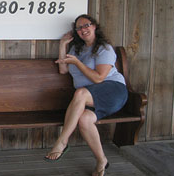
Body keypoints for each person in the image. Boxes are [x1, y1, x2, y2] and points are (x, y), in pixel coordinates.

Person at [44, 14, 128, 176]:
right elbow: (63, 69)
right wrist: (62, 45)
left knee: (81, 93)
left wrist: (78, 63)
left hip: (113, 90)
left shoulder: (105, 48)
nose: (83, 30)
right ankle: (102, 160)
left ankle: (62, 141)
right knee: (84, 119)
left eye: (86, 25)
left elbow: (98, 78)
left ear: (95, 26)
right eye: (79, 28)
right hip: (91, 97)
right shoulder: (77, 48)